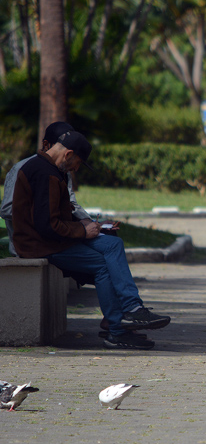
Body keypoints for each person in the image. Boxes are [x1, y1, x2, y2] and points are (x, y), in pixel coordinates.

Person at [11, 131, 171, 350]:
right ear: (68, 154)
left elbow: (59, 216)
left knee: (113, 244)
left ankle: (132, 309)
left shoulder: (54, 171)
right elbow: (46, 226)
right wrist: (82, 231)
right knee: (102, 265)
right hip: (39, 244)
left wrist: (89, 225)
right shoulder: (43, 173)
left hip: (56, 238)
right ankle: (116, 329)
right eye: (78, 163)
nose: (76, 169)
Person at [1, 122, 92, 257]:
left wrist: (90, 224)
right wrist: (43, 213)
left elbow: (71, 205)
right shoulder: (26, 168)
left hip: (58, 237)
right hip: (33, 244)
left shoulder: (63, 169)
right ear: (47, 145)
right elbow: (7, 209)